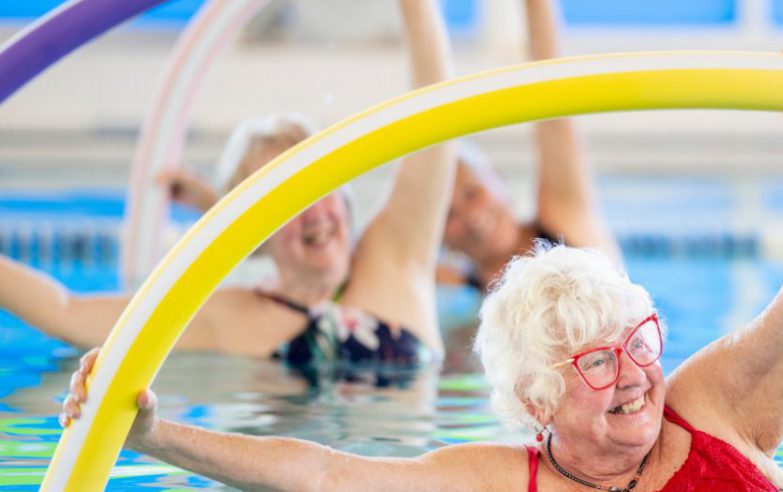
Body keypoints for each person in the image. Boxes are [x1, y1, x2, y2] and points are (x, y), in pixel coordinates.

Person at [61, 44, 783, 492]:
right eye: (597, 362)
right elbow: (326, 475)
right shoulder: (508, 476)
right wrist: (154, 437)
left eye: (638, 343)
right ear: (537, 402)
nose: (636, 375)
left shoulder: (713, 403)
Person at [1, 0, 455, 384]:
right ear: (251, 229)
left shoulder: (397, 254)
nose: (314, 209)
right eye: (287, 199)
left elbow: (437, 114)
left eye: (322, 184)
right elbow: (68, 313)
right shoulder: (230, 316)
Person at [438, 0, 620, 292]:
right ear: (437, 237)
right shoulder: (456, 298)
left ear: (497, 179)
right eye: (448, 215)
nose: (471, 218)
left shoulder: (564, 223)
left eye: (473, 193)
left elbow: (552, 93)